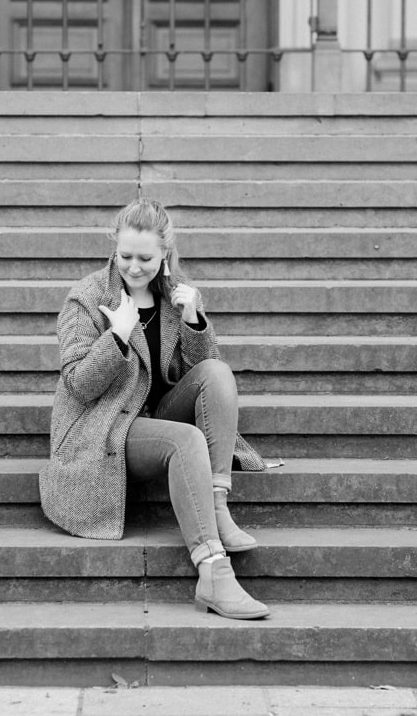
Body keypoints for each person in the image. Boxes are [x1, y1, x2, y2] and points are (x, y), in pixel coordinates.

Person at [41, 198, 271, 620]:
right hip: (106, 425)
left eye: (145, 258)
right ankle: (213, 571)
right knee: (186, 440)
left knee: (216, 372)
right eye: (125, 256)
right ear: (114, 249)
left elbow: (201, 372)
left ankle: (216, 504)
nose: (133, 267)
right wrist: (118, 337)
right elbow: (79, 384)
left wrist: (193, 319)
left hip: (154, 414)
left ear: (165, 253)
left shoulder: (173, 294)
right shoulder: (88, 298)